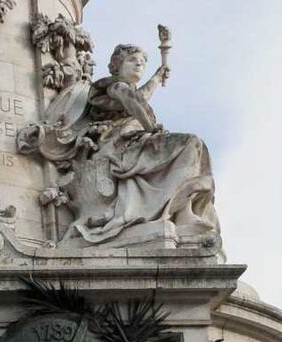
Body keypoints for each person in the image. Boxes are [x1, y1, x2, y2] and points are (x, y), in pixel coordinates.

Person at [17, 44, 219, 244]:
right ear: (116, 66)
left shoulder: (129, 91)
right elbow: (133, 101)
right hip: (118, 144)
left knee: (193, 149)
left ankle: (183, 211)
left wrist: (156, 79)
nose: (139, 64)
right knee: (191, 144)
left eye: (142, 61)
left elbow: (138, 98)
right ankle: (179, 212)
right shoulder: (111, 85)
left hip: (134, 140)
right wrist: (151, 125)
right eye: (132, 60)